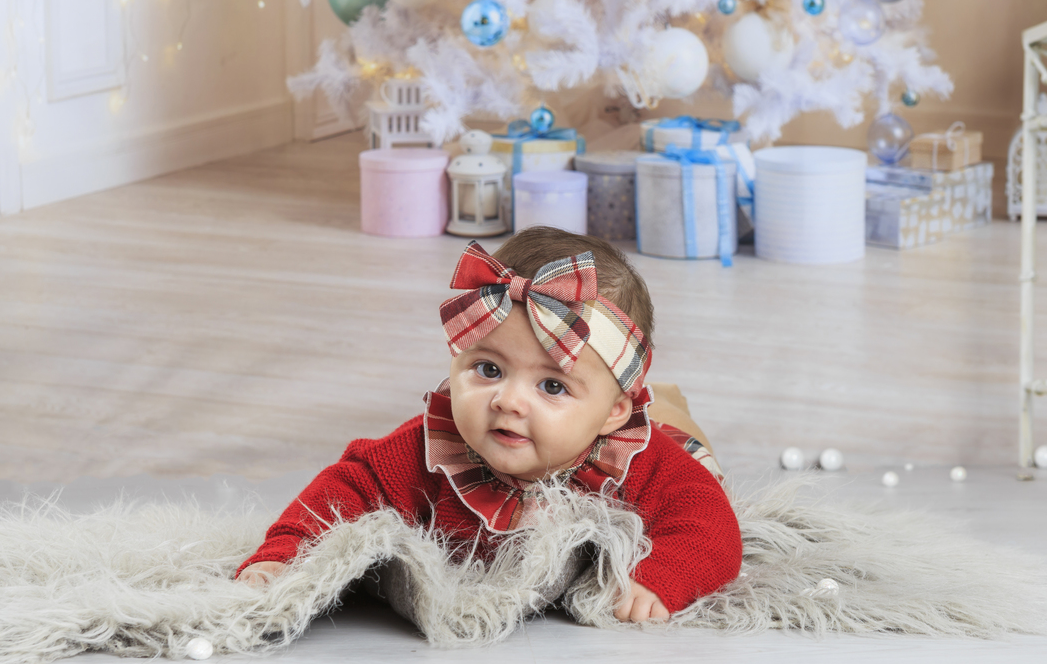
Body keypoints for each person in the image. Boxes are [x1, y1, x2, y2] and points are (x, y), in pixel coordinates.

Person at [236, 227, 742, 623]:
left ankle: (666, 403)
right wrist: (285, 553)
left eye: (552, 386)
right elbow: (350, 487)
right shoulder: (431, 449)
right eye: (489, 370)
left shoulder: (636, 459)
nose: (507, 401)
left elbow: (710, 526)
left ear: (614, 411)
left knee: (691, 451)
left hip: (660, 439)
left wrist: (661, 578)